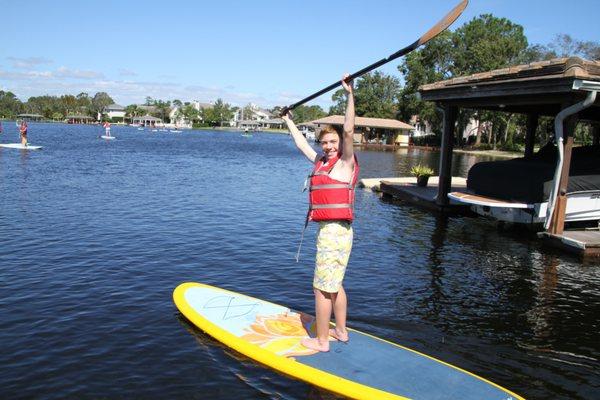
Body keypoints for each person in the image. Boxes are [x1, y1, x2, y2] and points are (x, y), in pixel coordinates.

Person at [282, 74, 359, 352]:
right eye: (324, 142)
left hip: (335, 232)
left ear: (340, 143)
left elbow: (349, 130)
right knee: (335, 284)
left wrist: (350, 95)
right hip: (333, 232)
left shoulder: (345, 164)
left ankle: (322, 340)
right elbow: (302, 145)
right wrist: (289, 120)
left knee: (321, 288)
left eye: (332, 142)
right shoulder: (322, 162)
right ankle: (340, 331)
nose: (328, 146)